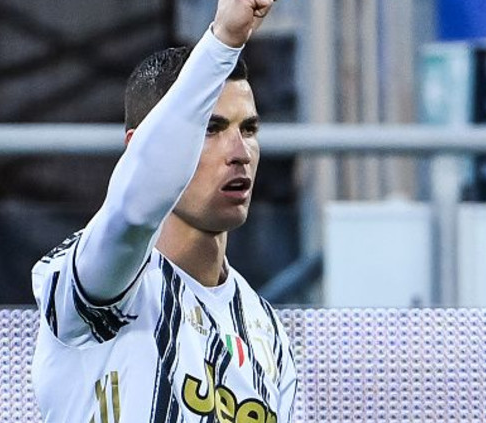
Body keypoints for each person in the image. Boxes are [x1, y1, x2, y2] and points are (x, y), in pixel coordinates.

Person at [30, 1, 297, 422]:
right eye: (210, 129)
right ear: (137, 145)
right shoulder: (99, 284)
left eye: (248, 129)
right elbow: (135, 211)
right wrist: (224, 42)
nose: (240, 152)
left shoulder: (266, 329)